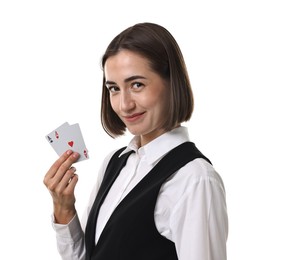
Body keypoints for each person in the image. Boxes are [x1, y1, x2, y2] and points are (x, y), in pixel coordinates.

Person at [44, 22, 228, 260]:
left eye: (137, 85)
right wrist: (64, 208)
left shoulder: (194, 179)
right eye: (114, 89)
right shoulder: (115, 162)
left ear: (172, 82)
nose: (124, 105)